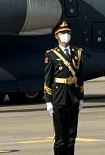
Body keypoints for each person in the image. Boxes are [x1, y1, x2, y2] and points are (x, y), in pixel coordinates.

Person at [44, 20, 85, 155]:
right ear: (57, 36)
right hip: (59, 98)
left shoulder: (77, 53)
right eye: (62, 33)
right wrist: (49, 101)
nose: (65, 35)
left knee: (72, 137)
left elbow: (80, 77)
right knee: (60, 138)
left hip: (73, 97)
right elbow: (48, 80)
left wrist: (81, 97)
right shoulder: (51, 55)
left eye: (67, 32)